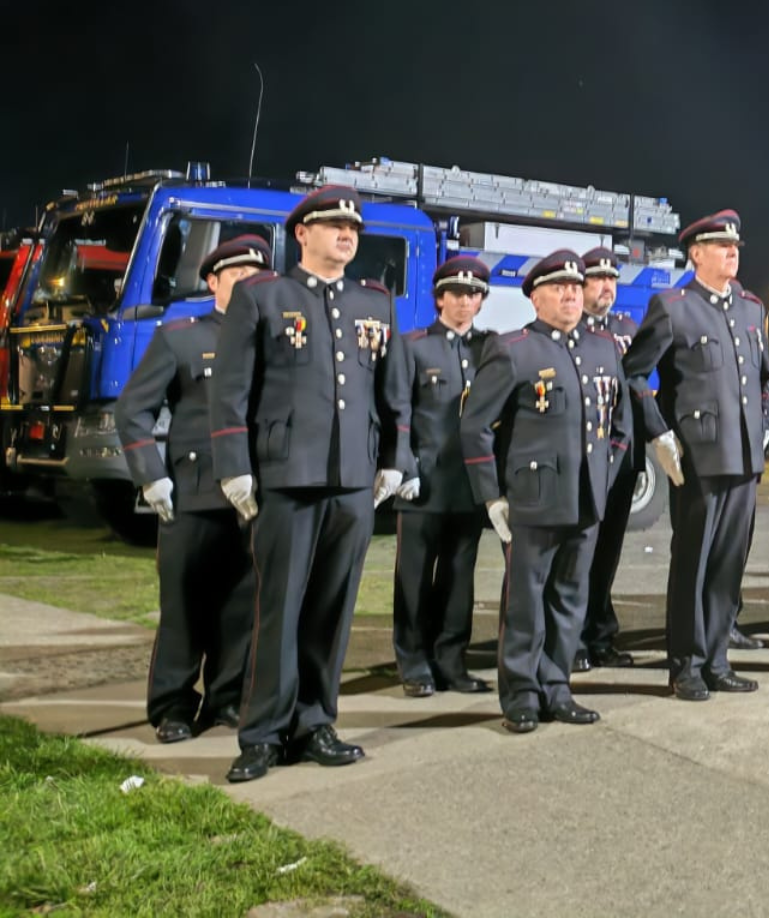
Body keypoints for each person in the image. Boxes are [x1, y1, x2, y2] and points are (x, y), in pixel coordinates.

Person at [213, 187, 410, 783]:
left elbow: (392, 392)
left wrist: (397, 459)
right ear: (302, 233)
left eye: (353, 228)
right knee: (278, 608)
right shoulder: (262, 296)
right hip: (286, 476)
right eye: (332, 225)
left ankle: (315, 722)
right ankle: (263, 735)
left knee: (333, 607)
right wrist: (234, 464)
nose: (346, 235)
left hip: (353, 479)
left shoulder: (375, 302)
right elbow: (231, 390)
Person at [462, 250, 628, 733]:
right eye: (559, 287)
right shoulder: (514, 349)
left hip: (585, 499)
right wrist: (492, 495)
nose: (572, 294)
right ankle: (520, 693)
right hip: (533, 501)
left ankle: (557, 687)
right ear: (535, 297)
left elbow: (619, 426)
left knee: (571, 599)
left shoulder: (603, 349)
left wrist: (604, 471)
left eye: (576, 287)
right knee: (525, 604)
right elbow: (475, 428)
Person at [118, 235, 269, 744]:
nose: (249, 284)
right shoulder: (182, 336)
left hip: (254, 497)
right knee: (184, 605)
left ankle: (227, 698)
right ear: (213, 281)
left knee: (242, 604)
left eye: (257, 276)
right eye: (238, 275)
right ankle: (174, 706)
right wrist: (149, 472)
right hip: (193, 494)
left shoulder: (273, 340)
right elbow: (133, 409)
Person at [623, 209, 769, 702]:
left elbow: (767, 380)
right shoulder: (673, 306)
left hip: (745, 457)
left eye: (735, 246)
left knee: (729, 565)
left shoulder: (752, 309)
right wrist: (659, 434)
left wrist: (766, 427)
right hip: (699, 460)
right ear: (696, 254)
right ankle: (685, 665)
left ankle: (716, 659)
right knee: (693, 564)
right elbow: (634, 374)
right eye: (720, 245)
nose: (732, 252)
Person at [391, 256, 495, 698]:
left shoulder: (488, 349)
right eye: (456, 294)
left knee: (459, 578)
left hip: (467, 485)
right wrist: (403, 467)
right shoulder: (414, 346)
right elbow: (397, 412)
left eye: (474, 294)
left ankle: (452, 660)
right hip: (423, 483)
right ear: (439, 298)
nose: (465, 302)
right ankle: (414, 662)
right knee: (414, 578)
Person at [576, 246, 642, 671]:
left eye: (612, 280)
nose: (606, 288)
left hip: (623, 458)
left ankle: (600, 634)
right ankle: (573, 637)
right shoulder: (571, 329)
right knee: (578, 554)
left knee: (608, 553)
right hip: (586, 459)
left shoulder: (625, 327)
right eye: (597, 280)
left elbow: (636, 389)